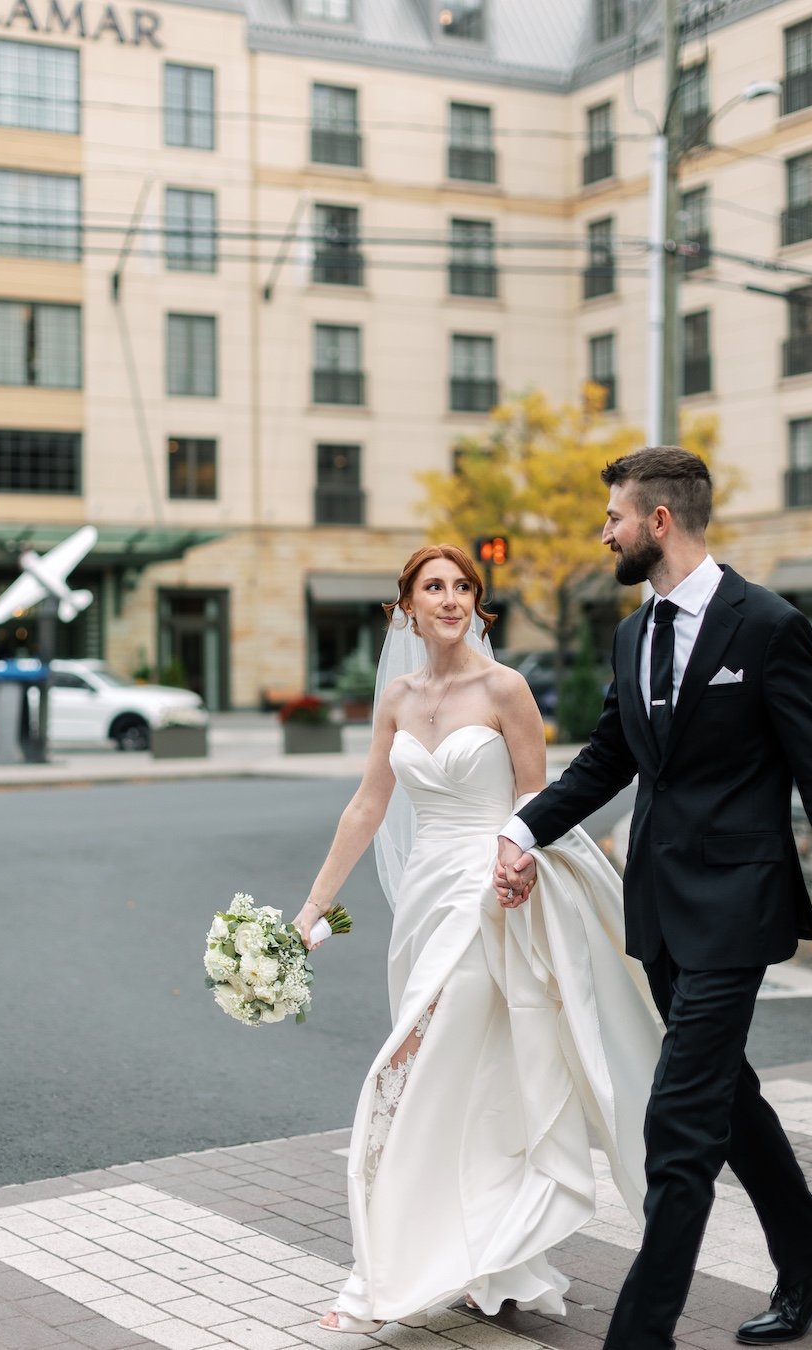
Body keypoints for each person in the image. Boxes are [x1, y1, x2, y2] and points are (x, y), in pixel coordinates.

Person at [495, 446, 812, 1350]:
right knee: (725, 1101)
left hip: (739, 912)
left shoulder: (767, 625)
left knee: (678, 1122)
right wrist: (522, 830)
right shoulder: (635, 634)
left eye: (614, 520)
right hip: (662, 914)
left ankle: (642, 1332)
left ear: (659, 522)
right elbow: (609, 758)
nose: (605, 535)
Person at [292, 543, 663, 1334]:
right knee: (471, 1084)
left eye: (464, 587)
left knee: (410, 1069)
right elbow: (367, 806)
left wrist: (519, 864)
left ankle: (379, 1277)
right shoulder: (395, 696)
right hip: (424, 897)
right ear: (408, 607)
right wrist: (312, 907)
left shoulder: (506, 688)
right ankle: (490, 1258)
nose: (452, 598)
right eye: (435, 587)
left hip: (489, 894)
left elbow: (538, 796)